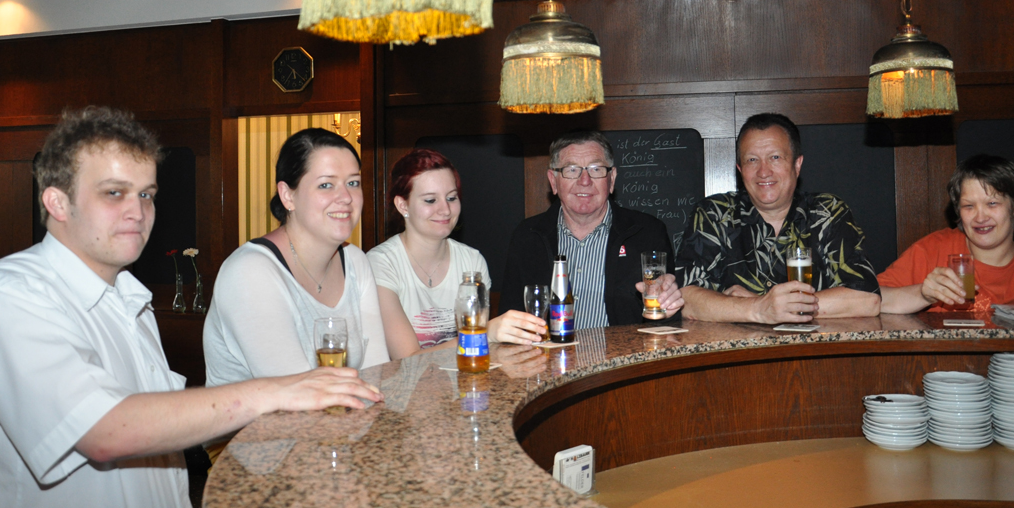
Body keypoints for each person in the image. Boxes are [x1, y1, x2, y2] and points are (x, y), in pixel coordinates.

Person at [0, 107, 381, 508]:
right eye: (114, 193)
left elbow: (160, 453)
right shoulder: (8, 295)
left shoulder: (130, 301)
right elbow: (105, 432)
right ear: (57, 201)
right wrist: (280, 390)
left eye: (146, 194)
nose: (137, 211)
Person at [205, 128, 418, 385]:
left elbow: (375, 374)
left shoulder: (355, 261)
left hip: (345, 410)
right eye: (326, 185)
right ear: (288, 196)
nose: (346, 198)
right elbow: (297, 393)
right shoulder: (250, 272)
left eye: (353, 183)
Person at [676, 113, 881, 324]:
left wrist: (762, 305)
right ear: (740, 170)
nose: (763, 171)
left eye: (775, 157)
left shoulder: (827, 212)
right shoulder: (714, 214)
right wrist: (759, 308)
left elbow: (867, 299)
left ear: (797, 164)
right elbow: (685, 298)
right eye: (752, 160)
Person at [498, 130, 685, 327]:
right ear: (553, 181)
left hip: (623, 348)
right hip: (548, 347)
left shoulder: (647, 233)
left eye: (596, 169)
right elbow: (510, 321)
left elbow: (664, 320)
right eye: (571, 170)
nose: (584, 181)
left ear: (611, 179)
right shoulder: (527, 237)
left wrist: (667, 310)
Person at [368, 149, 546, 348]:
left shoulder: (472, 260)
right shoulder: (380, 263)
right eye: (430, 200)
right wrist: (485, 334)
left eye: (451, 198)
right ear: (403, 205)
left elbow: (475, 352)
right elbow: (406, 359)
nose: (445, 210)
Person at [880, 155, 1014, 314]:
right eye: (968, 206)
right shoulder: (934, 249)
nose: (980, 217)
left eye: (992, 203)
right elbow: (871, 299)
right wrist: (922, 294)